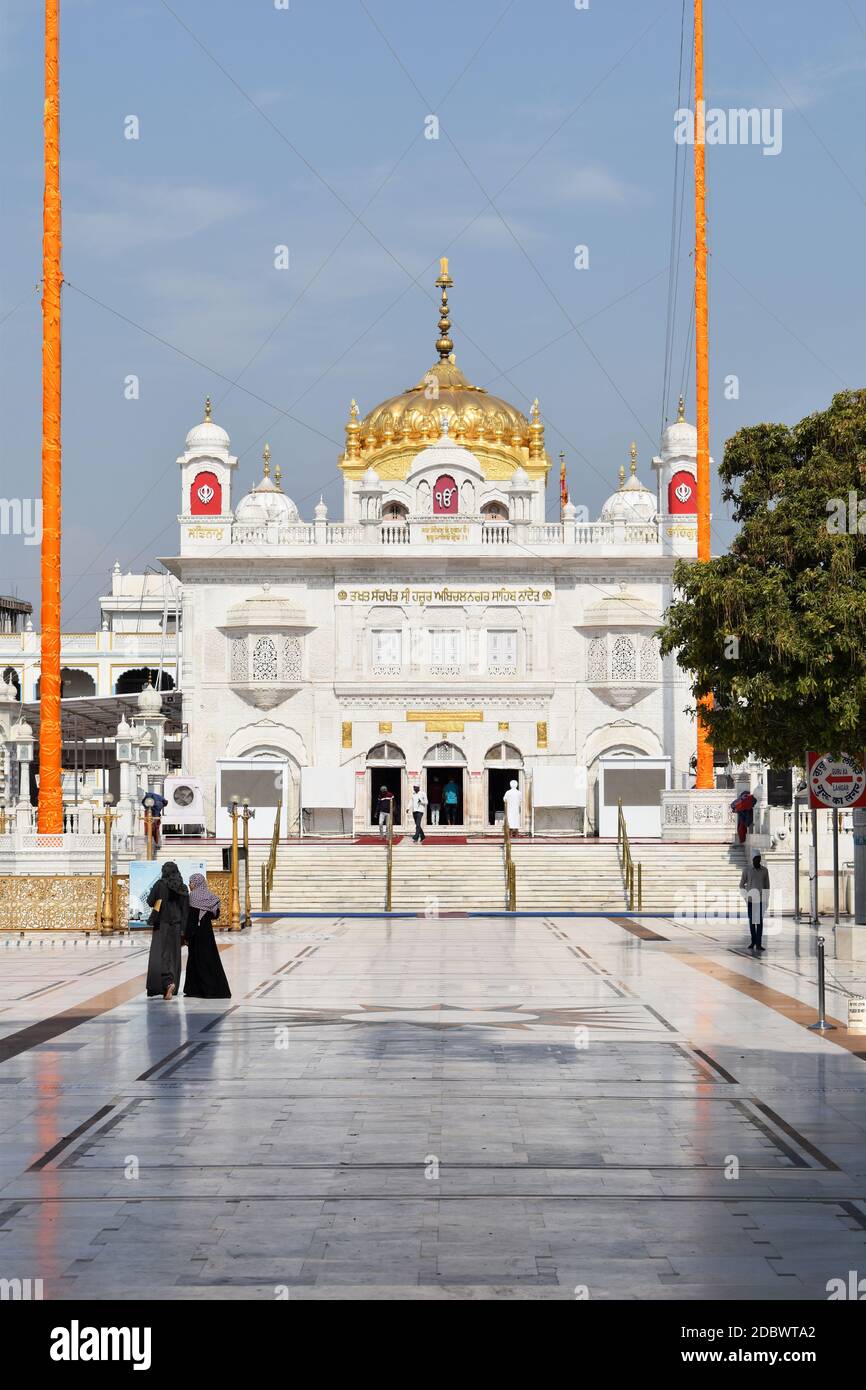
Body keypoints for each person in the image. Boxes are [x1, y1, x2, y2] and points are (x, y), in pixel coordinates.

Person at [145, 861, 189, 1000]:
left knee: (160, 954)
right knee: (174, 955)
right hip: (176, 926)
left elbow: (150, 901)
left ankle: (166, 984)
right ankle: (172, 983)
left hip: (162, 925)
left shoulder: (160, 884)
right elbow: (185, 910)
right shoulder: (182, 887)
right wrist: (183, 931)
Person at [184, 873, 231, 999]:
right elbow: (215, 915)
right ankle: (217, 989)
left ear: (196, 883)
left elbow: (192, 918)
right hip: (207, 933)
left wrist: (187, 936)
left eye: (191, 882)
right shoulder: (211, 896)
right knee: (210, 959)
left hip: (196, 933)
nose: (189, 885)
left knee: (197, 961)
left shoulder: (193, 896)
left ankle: (198, 990)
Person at [740, 852, 770, 951]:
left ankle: (759, 943)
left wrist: (766, 900)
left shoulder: (764, 871)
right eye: (756, 859)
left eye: (759, 859)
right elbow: (741, 885)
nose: (758, 861)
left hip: (760, 900)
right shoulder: (747, 870)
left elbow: (767, 886)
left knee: (760, 922)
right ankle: (753, 941)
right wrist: (746, 897)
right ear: (752, 860)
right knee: (752, 922)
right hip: (751, 901)